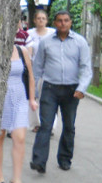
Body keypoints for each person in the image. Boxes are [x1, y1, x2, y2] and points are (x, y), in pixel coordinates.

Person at [30, 10, 92, 173]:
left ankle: (65, 159)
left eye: (66, 20)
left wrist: (81, 89)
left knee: (69, 126)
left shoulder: (80, 42)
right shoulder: (46, 42)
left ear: (71, 22)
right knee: (46, 125)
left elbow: (86, 68)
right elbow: (37, 68)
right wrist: (34, 92)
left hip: (72, 91)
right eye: (59, 21)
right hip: (50, 88)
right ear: (55, 23)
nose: (63, 23)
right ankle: (39, 161)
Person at [0, 44, 37, 183]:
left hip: (19, 97)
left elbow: (30, 75)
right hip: (0, 99)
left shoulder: (21, 50)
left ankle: (17, 179)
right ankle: (0, 177)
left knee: (20, 137)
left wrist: (32, 99)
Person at [26, 9, 56, 132]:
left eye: (43, 18)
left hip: (49, 69)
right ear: (34, 20)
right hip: (33, 69)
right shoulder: (29, 34)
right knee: (33, 95)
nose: (41, 21)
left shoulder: (52, 33)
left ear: (47, 20)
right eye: (38, 18)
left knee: (49, 97)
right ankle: (35, 124)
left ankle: (49, 124)